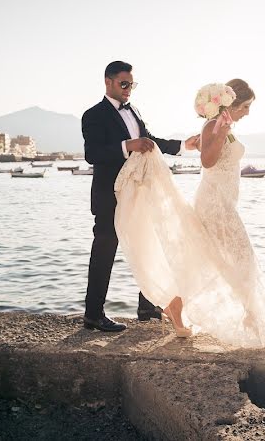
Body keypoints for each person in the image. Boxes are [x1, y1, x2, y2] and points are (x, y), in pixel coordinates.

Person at [114, 79, 265, 347]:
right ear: (231, 103)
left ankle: (178, 307)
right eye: (245, 106)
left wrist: (225, 132)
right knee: (242, 258)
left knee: (208, 260)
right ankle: (250, 317)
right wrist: (219, 134)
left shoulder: (225, 127)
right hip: (214, 204)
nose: (248, 112)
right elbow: (207, 160)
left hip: (224, 202)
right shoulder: (211, 126)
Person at [80, 61, 200, 332]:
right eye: (124, 84)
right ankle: (93, 315)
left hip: (140, 193)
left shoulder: (133, 110)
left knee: (150, 244)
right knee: (104, 252)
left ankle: (148, 309)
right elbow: (93, 154)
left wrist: (183, 145)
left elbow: (149, 140)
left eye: (132, 85)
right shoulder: (93, 115)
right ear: (108, 82)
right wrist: (127, 146)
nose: (128, 90)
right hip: (110, 194)